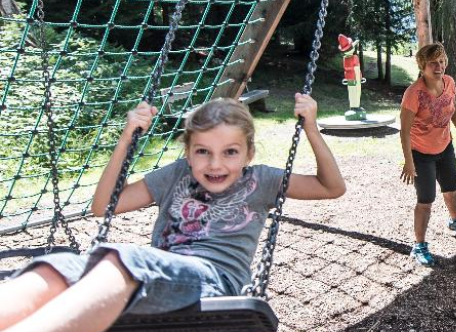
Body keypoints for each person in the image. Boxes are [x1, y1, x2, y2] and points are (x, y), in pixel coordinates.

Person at [0, 95, 345, 332]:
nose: (215, 164)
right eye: (202, 152)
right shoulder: (175, 174)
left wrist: (311, 128)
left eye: (230, 152)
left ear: (249, 153)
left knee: (122, 259)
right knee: (59, 265)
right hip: (161, 276)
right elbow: (103, 206)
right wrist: (126, 138)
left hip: (215, 284)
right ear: (188, 152)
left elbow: (331, 187)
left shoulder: (263, 181)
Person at [399, 43, 456, 267]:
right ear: (422, 66)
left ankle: (455, 221)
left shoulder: (449, 82)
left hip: (444, 146)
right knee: (426, 199)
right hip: (421, 153)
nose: (438, 66)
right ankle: (419, 245)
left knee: (451, 189)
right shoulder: (414, 94)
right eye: (433, 62)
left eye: (441, 61)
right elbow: (404, 131)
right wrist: (409, 162)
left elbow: (453, 107)